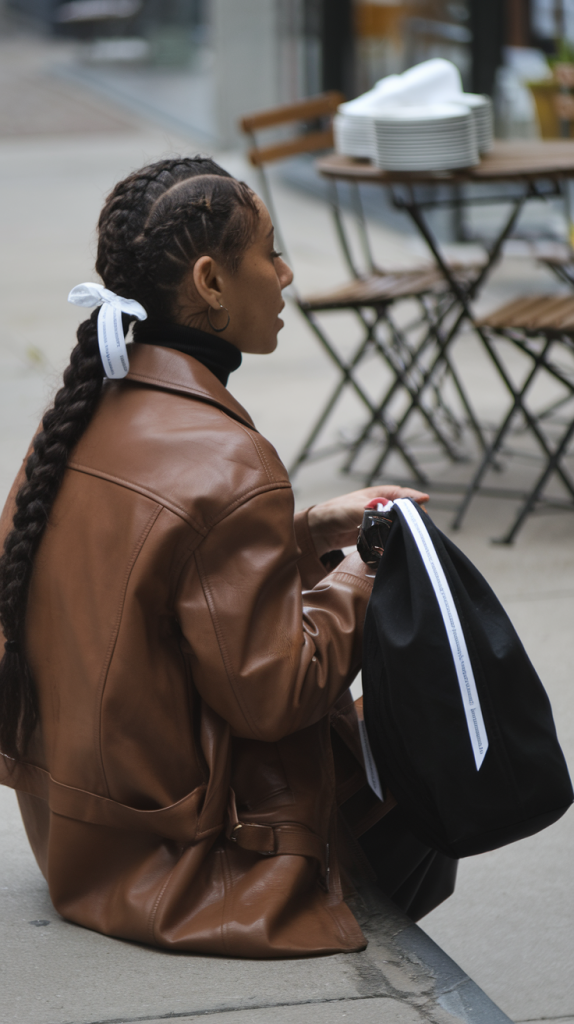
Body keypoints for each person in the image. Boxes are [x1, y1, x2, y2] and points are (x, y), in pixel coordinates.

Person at [0, 157, 454, 958]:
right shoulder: (230, 460)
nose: (286, 274)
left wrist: (311, 531)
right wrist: (370, 568)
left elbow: (169, 566)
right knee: (429, 780)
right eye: (270, 253)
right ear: (212, 283)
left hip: (79, 833)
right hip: (184, 868)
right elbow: (277, 694)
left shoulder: (77, 413)